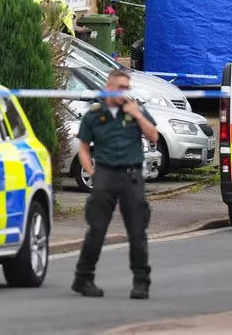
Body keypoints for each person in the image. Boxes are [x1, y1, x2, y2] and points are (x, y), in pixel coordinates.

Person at [71, 69, 159, 299]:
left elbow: (154, 136)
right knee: (97, 228)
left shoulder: (134, 108)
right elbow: (83, 146)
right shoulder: (94, 114)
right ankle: (83, 278)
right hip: (105, 174)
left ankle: (141, 282)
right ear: (108, 86)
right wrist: (91, 170)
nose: (124, 92)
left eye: (126, 87)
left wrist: (137, 115)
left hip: (131, 176)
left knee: (137, 230)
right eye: (120, 87)